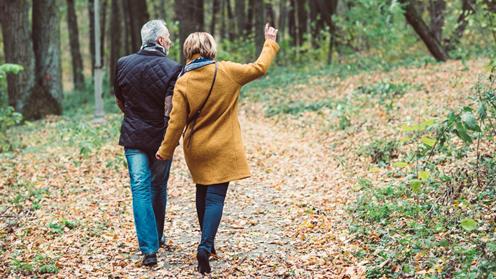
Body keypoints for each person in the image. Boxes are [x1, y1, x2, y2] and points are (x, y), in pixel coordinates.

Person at [155, 24, 279, 275]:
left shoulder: (184, 81)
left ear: (188, 51)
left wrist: (165, 151)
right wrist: (269, 42)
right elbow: (260, 68)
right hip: (223, 146)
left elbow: (176, 121)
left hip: (197, 149)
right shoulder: (228, 71)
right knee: (215, 198)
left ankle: (206, 243)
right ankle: (206, 245)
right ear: (211, 48)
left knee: (202, 191)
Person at [114, 19, 182, 266]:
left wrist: (134, 117)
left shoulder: (123, 64)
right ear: (161, 41)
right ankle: (158, 236)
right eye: (169, 38)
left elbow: (120, 100)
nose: (171, 42)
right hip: (161, 138)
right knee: (158, 186)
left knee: (139, 187)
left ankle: (149, 249)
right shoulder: (174, 68)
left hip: (133, 135)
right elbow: (171, 109)